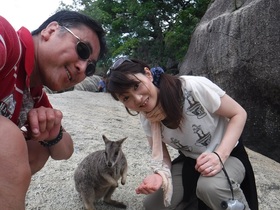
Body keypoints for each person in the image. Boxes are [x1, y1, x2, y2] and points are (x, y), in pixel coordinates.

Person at [105, 58, 258, 210]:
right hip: (192, 161)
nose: (137, 99)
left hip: (228, 154)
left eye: (136, 86)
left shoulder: (191, 87)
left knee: (210, 187)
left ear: (148, 74)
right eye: (126, 98)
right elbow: (163, 157)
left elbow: (238, 113)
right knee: (153, 204)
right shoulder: (147, 118)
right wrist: (160, 175)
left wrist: (219, 156)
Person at [0, 10, 106, 209]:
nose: (82, 69)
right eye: (82, 50)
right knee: (8, 137)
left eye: (90, 68)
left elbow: (64, 151)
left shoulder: (34, 92)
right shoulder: (7, 40)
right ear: (50, 30)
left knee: (38, 148)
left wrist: (53, 133)